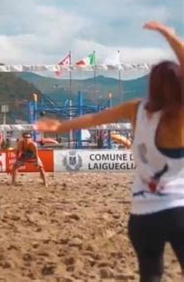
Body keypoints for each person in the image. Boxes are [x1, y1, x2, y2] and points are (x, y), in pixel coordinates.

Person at [37, 21, 183, 282]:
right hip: (178, 209)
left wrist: (60, 126)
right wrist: (170, 37)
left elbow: (94, 119)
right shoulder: (179, 118)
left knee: (150, 275)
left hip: (142, 214)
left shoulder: (136, 109)